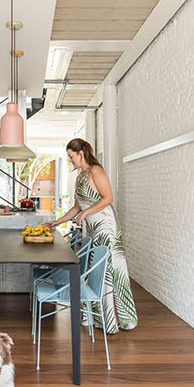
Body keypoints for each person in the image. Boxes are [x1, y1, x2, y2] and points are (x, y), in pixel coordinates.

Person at [49, 137, 138, 332]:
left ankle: (116, 321)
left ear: (81, 154)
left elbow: (108, 198)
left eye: (71, 157)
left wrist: (86, 213)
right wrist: (57, 221)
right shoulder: (80, 177)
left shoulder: (96, 171)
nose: (70, 160)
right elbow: (76, 207)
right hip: (94, 227)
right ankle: (98, 318)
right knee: (98, 271)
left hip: (106, 226)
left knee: (108, 272)